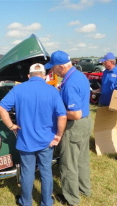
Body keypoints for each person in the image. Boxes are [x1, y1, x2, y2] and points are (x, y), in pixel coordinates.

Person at [0, 63, 67, 206]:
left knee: (27, 172)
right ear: (44, 76)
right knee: (46, 171)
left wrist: (11, 126)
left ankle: (25, 202)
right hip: (47, 140)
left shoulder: (18, 89)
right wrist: (58, 136)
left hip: (25, 140)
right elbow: (62, 116)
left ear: (29, 76)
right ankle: (47, 202)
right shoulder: (53, 90)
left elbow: (1, 108)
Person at [45, 50, 92, 206]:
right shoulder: (78, 75)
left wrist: (58, 111)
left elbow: (75, 114)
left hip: (75, 126)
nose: (52, 71)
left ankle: (71, 198)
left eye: (53, 68)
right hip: (87, 122)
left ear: (60, 67)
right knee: (82, 158)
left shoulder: (70, 83)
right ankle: (84, 189)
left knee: (68, 163)